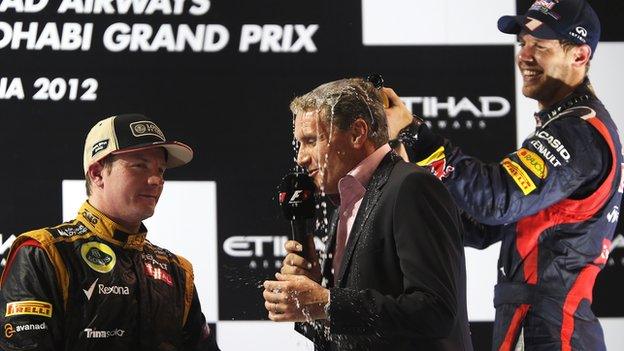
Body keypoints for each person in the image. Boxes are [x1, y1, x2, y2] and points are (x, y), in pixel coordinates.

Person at [385, 0, 623, 350]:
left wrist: (418, 135)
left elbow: (496, 201)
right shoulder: (566, 127)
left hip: (552, 329)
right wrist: (405, 175)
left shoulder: (578, 132)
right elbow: (481, 226)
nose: (524, 56)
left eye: (540, 47)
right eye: (522, 43)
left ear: (579, 56)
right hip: (533, 320)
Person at [262, 78, 473, 350]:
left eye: (311, 141)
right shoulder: (349, 200)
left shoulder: (411, 186)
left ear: (357, 133)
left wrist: (326, 302)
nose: (301, 158)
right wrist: (313, 295)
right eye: (299, 144)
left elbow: (436, 312)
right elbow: (349, 333)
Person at [0, 114, 220, 351]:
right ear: (97, 173)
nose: (156, 179)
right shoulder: (44, 253)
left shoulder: (177, 271)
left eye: (161, 170)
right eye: (140, 165)